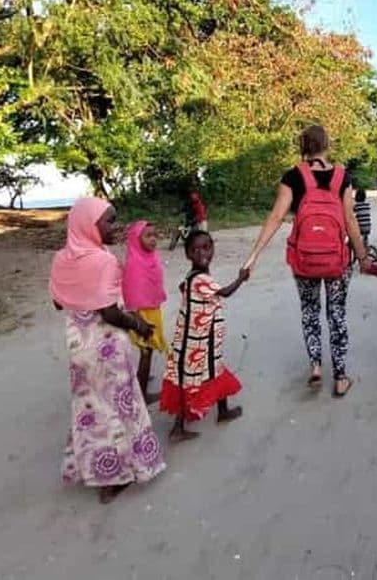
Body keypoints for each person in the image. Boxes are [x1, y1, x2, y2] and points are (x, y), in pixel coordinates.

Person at [49, 198, 166, 504]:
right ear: (90, 225)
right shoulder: (103, 261)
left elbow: (59, 302)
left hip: (77, 343)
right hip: (107, 346)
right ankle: (117, 476)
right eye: (109, 221)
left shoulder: (63, 257)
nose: (115, 227)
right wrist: (138, 326)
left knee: (89, 409)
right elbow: (110, 313)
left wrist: (80, 297)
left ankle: (92, 470)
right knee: (119, 409)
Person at [243, 125, 371, 398]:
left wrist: (253, 255)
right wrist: (362, 256)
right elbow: (350, 222)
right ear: (328, 144)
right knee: (336, 314)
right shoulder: (342, 177)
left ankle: (315, 365)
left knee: (310, 311)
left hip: (304, 260)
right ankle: (340, 377)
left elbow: (276, 217)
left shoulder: (293, 176)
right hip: (337, 260)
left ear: (304, 146)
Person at [159, 231, 248, 442]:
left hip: (200, 341)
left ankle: (222, 412)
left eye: (207, 247)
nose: (202, 253)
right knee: (191, 380)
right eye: (195, 250)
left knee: (213, 372)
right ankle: (177, 428)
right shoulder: (200, 279)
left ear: (213, 248)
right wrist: (241, 278)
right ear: (188, 254)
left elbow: (186, 288)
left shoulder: (193, 276)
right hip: (196, 343)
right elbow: (225, 292)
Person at [123, 220, 167, 403]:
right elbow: (130, 293)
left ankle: (141, 377)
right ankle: (142, 394)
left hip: (153, 308)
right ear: (136, 238)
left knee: (147, 350)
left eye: (155, 235)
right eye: (148, 236)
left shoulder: (152, 257)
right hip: (141, 314)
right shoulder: (134, 263)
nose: (153, 239)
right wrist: (138, 320)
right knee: (147, 351)